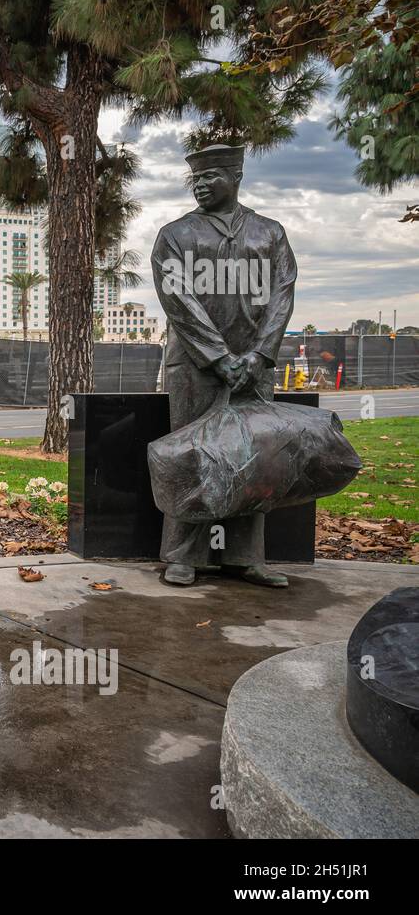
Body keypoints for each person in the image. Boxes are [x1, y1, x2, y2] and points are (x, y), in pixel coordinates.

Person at [152, 144, 297, 587]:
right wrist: (217, 357)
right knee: (194, 457)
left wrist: (258, 355)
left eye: (209, 176)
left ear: (235, 177)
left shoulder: (269, 233)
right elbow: (179, 300)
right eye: (194, 179)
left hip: (255, 366)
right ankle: (183, 556)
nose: (199, 185)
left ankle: (245, 555)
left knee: (255, 459)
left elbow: (282, 293)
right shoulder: (175, 235)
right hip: (194, 366)